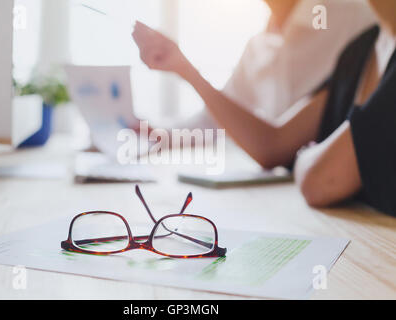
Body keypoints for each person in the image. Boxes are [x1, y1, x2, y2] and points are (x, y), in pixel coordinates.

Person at [132, 0, 396, 217]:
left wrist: (307, 157)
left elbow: (319, 177)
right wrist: (182, 72)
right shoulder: (358, 50)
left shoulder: (345, 18)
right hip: (339, 221)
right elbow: (261, 137)